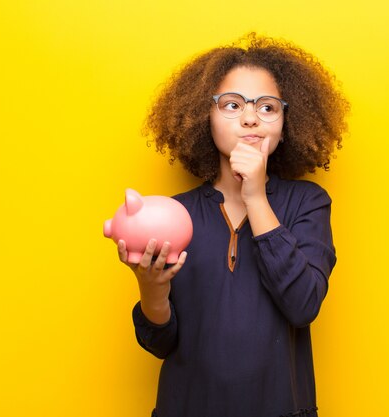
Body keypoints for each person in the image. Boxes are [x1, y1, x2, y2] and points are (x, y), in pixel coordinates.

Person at [116, 33, 349, 417]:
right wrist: (151, 289)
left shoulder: (307, 203)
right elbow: (160, 344)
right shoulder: (175, 214)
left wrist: (256, 196)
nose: (250, 117)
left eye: (268, 107)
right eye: (231, 104)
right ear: (202, 115)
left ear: (287, 120)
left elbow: (304, 304)